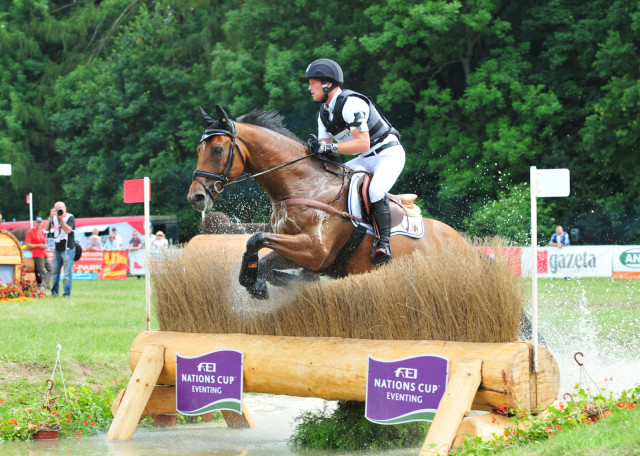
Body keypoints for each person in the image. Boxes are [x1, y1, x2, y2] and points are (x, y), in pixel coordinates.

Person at [300, 58, 405, 265]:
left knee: (375, 191)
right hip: (364, 160)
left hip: (387, 155)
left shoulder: (351, 103)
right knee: (334, 183)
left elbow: (363, 143)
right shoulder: (324, 114)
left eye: (312, 82)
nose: (309, 88)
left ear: (327, 84)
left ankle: (383, 244)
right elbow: (325, 151)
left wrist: (329, 147)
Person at [44, 202, 76, 297]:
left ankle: (66, 293)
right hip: (57, 248)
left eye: (61, 209)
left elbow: (68, 230)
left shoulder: (70, 217)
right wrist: (50, 218)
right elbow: (46, 229)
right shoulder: (53, 218)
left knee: (67, 273)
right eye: (57, 209)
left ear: (65, 208)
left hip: (68, 248)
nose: (59, 211)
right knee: (54, 272)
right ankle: (54, 292)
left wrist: (60, 220)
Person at [25, 216, 52, 292]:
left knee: (51, 269)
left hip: (43, 253)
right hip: (37, 254)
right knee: (41, 271)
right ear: (35, 223)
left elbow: (45, 243)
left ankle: (44, 285)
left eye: (40, 222)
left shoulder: (41, 232)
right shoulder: (30, 232)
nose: (39, 224)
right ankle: (44, 286)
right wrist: (39, 245)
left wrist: (45, 245)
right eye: (38, 222)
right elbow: (28, 245)